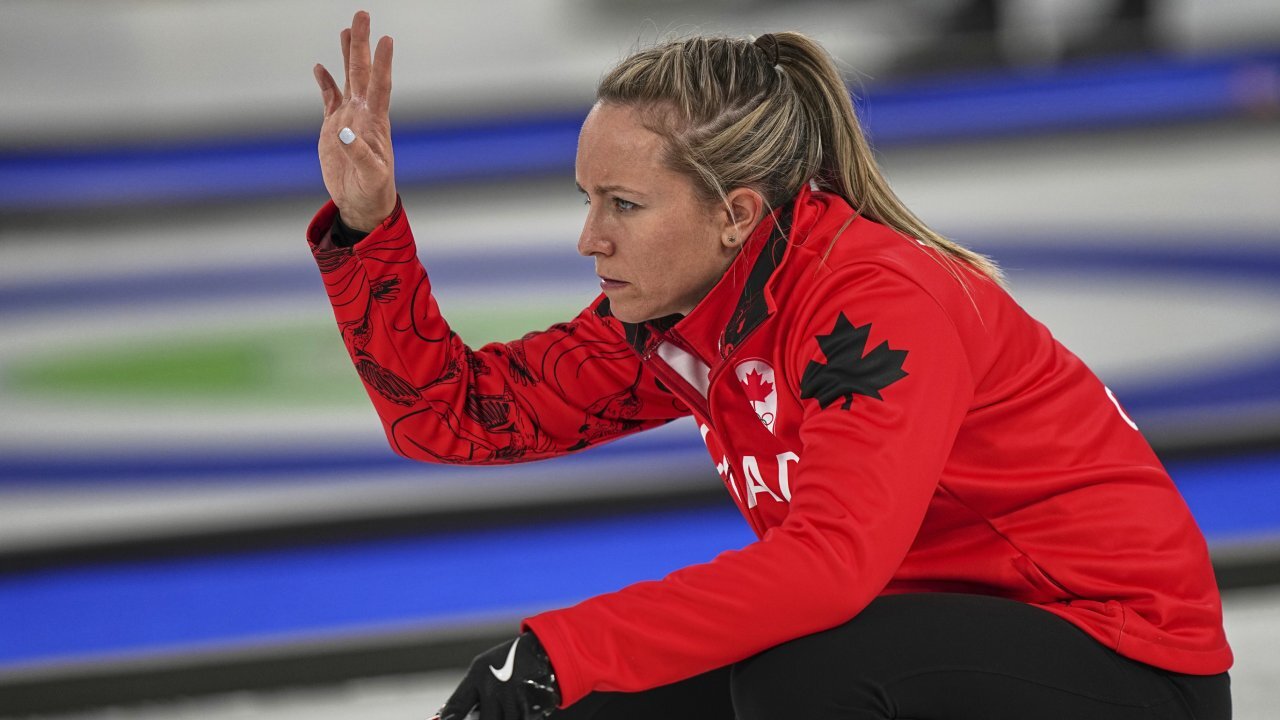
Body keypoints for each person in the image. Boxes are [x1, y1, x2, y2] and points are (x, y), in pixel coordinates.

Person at [309, 11, 1232, 720]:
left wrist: (558, 651)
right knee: (600, 701)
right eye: (586, 198)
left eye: (623, 203)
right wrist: (367, 227)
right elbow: (456, 415)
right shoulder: (682, 318)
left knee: (803, 673)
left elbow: (831, 567)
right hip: (928, 641)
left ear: (737, 213)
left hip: (1125, 659)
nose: (589, 237)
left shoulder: (874, 302)